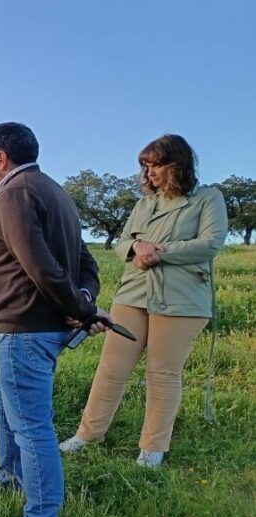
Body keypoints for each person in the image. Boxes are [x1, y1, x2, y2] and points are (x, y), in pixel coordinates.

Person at [0, 122, 109, 517]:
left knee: (33, 428)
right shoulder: (55, 190)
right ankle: (11, 476)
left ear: (1, 158)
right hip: (41, 326)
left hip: (25, 329)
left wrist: (81, 308)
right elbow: (86, 264)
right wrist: (84, 300)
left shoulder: (14, 193)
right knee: (2, 404)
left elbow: (40, 266)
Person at [60, 134, 228, 468]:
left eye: (156, 164)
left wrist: (157, 251)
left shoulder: (208, 198)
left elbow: (210, 243)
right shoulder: (145, 201)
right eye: (145, 165)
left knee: (162, 373)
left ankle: (153, 448)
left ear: (177, 165)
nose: (149, 172)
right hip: (134, 292)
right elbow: (123, 242)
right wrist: (136, 248)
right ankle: (87, 434)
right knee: (110, 368)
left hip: (181, 298)